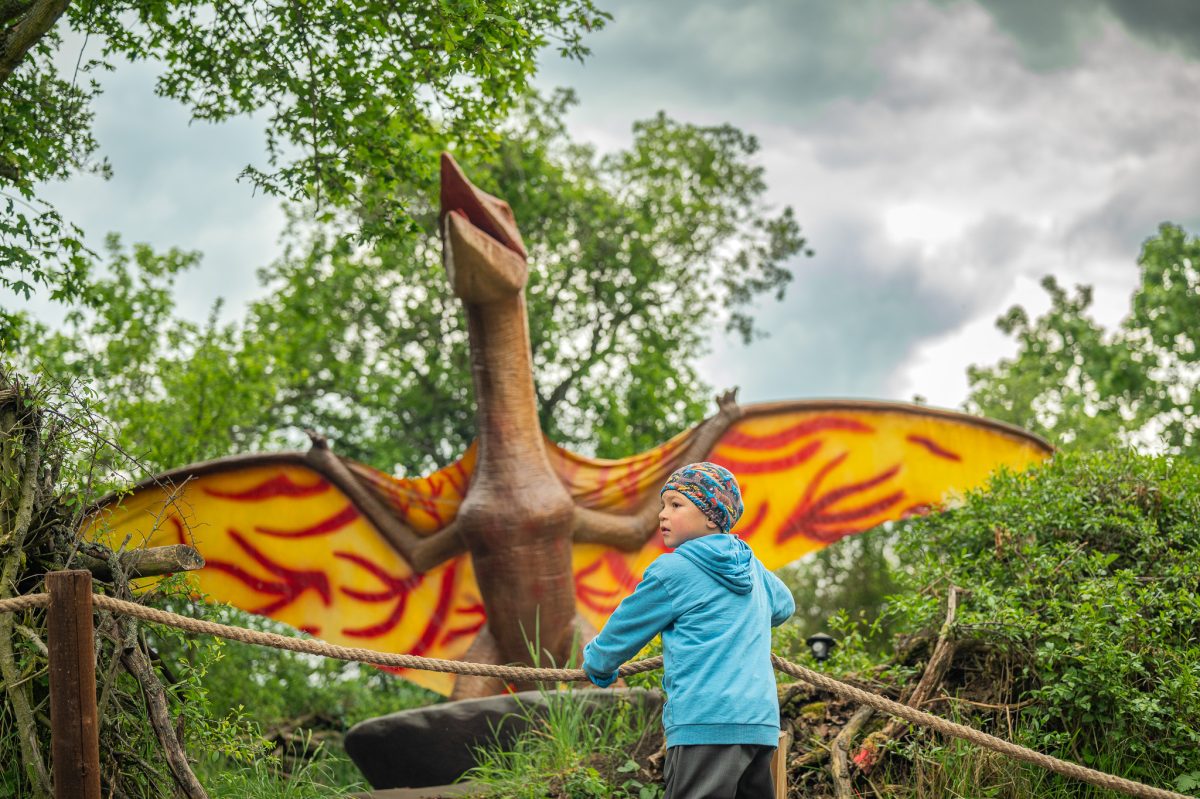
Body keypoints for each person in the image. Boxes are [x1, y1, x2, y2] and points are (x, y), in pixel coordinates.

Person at [582, 461, 796, 799]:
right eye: (663, 505)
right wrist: (741, 622)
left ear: (711, 517)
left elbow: (625, 628)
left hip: (706, 724)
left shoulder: (674, 570)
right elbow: (784, 605)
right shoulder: (750, 565)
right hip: (760, 725)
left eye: (676, 505)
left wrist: (598, 664)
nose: (662, 514)